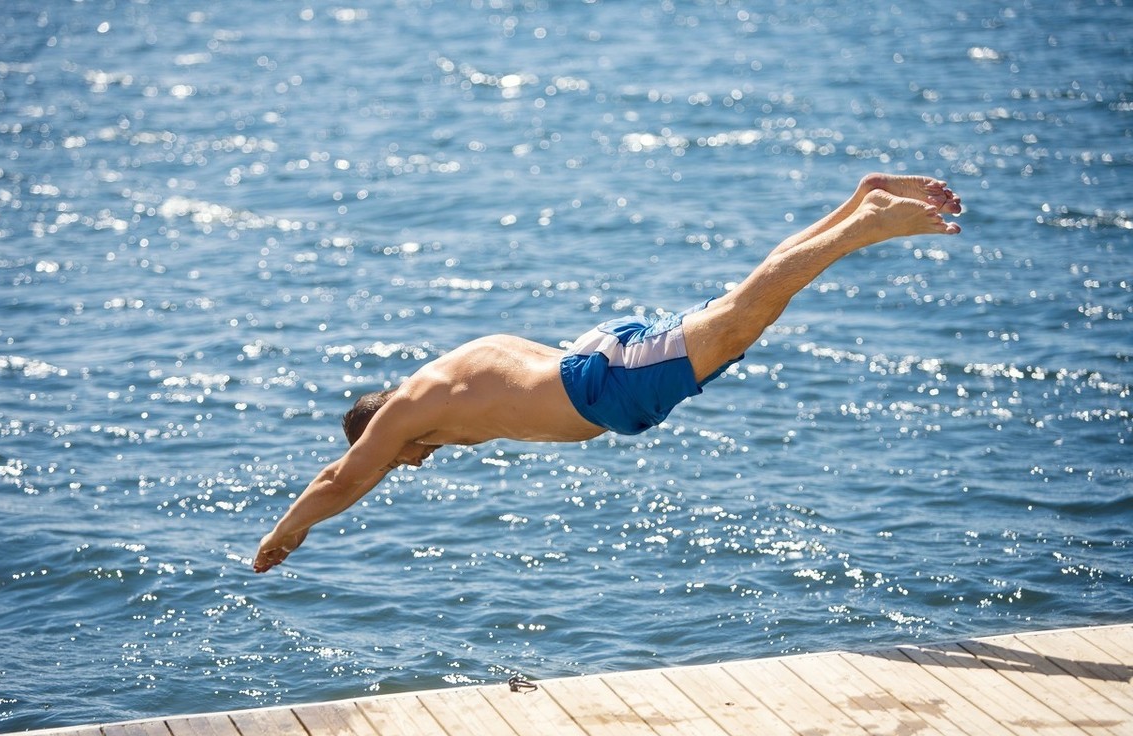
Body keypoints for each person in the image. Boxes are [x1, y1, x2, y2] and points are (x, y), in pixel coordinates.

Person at [253, 173, 961, 573]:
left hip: (604, 386)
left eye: (399, 460)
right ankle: (859, 201)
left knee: (747, 312)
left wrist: (285, 534)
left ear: (376, 430)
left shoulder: (405, 412)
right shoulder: (450, 370)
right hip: (598, 360)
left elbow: (340, 480)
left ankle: (868, 226)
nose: (410, 464)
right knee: (744, 309)